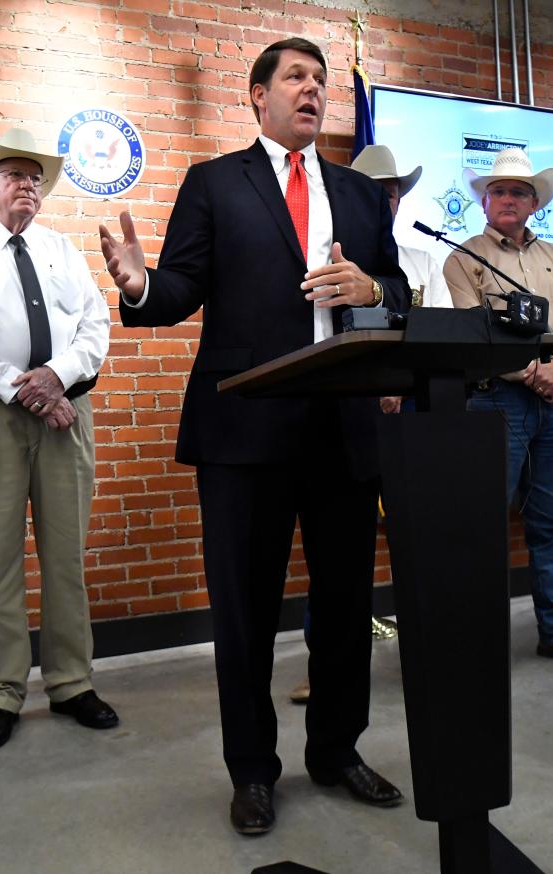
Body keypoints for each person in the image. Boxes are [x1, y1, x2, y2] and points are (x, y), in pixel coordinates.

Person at [99, 37, 409, 835]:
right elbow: (178, 288)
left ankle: (337, 751)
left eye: (321, 80)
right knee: (244, 613)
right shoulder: (214, 183)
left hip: (342, 428)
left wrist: (370, 286)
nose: (312, 91)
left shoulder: (361, 194)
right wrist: (139, 284)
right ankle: (252, 771)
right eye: (296, 79)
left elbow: (399, 292)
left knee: (344, 607)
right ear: (259, 97)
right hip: (244, 429)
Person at [0, 128, 115, 751]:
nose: (27, 185)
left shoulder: (65, 248)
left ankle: (70, 682)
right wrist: (21, 387)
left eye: (35, 177)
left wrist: (57, 378)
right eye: (14, 175)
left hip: (67, 415)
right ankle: (1, 691)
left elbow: (95, 326)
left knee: (66, 556)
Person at [441, 147, 553, 668]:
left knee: (551, 524)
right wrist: (534, 374)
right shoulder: (462, 257)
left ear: (534, 202)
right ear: (485, 201)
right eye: (499, 192)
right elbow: (474, 335)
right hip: (494, 402)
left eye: (518, 192)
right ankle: (471, 640)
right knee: (480, 525)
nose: (508, 199)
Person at [350, 143, 453, 418]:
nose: (382, 204)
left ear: (399, 202)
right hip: (349, 401)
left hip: (416, 400)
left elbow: (443, 336)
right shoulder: (331, 264)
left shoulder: (424, 264)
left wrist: (400, 384)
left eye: (389, 195)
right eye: (370, 194)